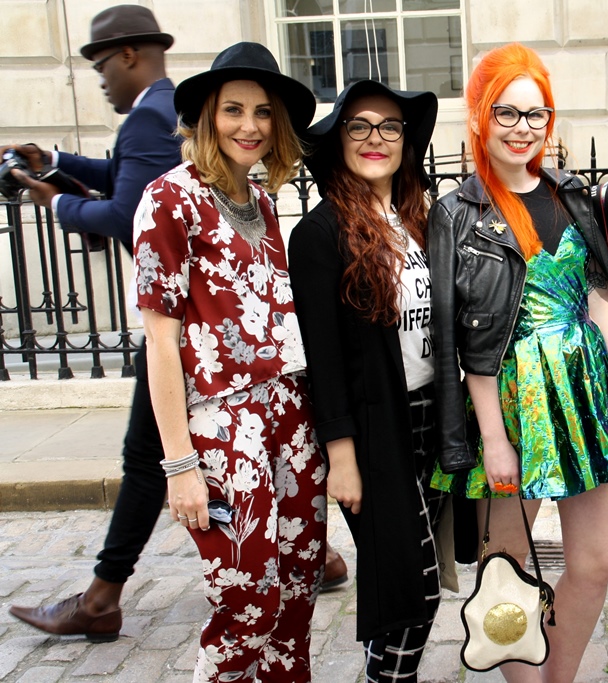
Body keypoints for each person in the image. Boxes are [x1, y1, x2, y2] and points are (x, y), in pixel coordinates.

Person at [429, 42, 608, 682]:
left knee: (597, 557)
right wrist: (492, 440)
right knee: (506, 561)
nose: (522, 128)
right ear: (480, 115)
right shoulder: (457, 214)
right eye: (507, 112)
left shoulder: (572, 197)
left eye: (536, 115)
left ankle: (560, 676)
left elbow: (602, 295)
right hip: (510, 395)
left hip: (584, 388)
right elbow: (461, 337)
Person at [133, 42, 326, 681]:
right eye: (234, 110)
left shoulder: (263, 201)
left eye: (265, 113)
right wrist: (180, 465)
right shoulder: (170, 199)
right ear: (207, 116)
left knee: (297, 587)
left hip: (290, 419)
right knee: (247, 598)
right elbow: (160, 343)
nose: (250, 125)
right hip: (222, 428)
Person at [5, 5, 180, 643]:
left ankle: (101, 600)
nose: (99, 79)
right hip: (195, 320)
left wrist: (59, 204)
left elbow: (129, 215)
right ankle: (319, 559)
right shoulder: (162, 114)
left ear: (130, 54)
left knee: (145, 460)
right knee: (205, 455)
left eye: (101, 64)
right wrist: (56, 159)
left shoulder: (148, 120)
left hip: (178, 326)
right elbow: (126, 179)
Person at [288, 80, 443, 682]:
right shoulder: (319, 234)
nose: (375, 138)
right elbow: (321, 356)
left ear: (407, 142)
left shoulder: (419, 221)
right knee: (414, 585)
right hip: (375, 428)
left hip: (431, 416)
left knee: (408, 591)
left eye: (390, 127)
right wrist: (341, 453)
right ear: (338, 141)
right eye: (359, 126)